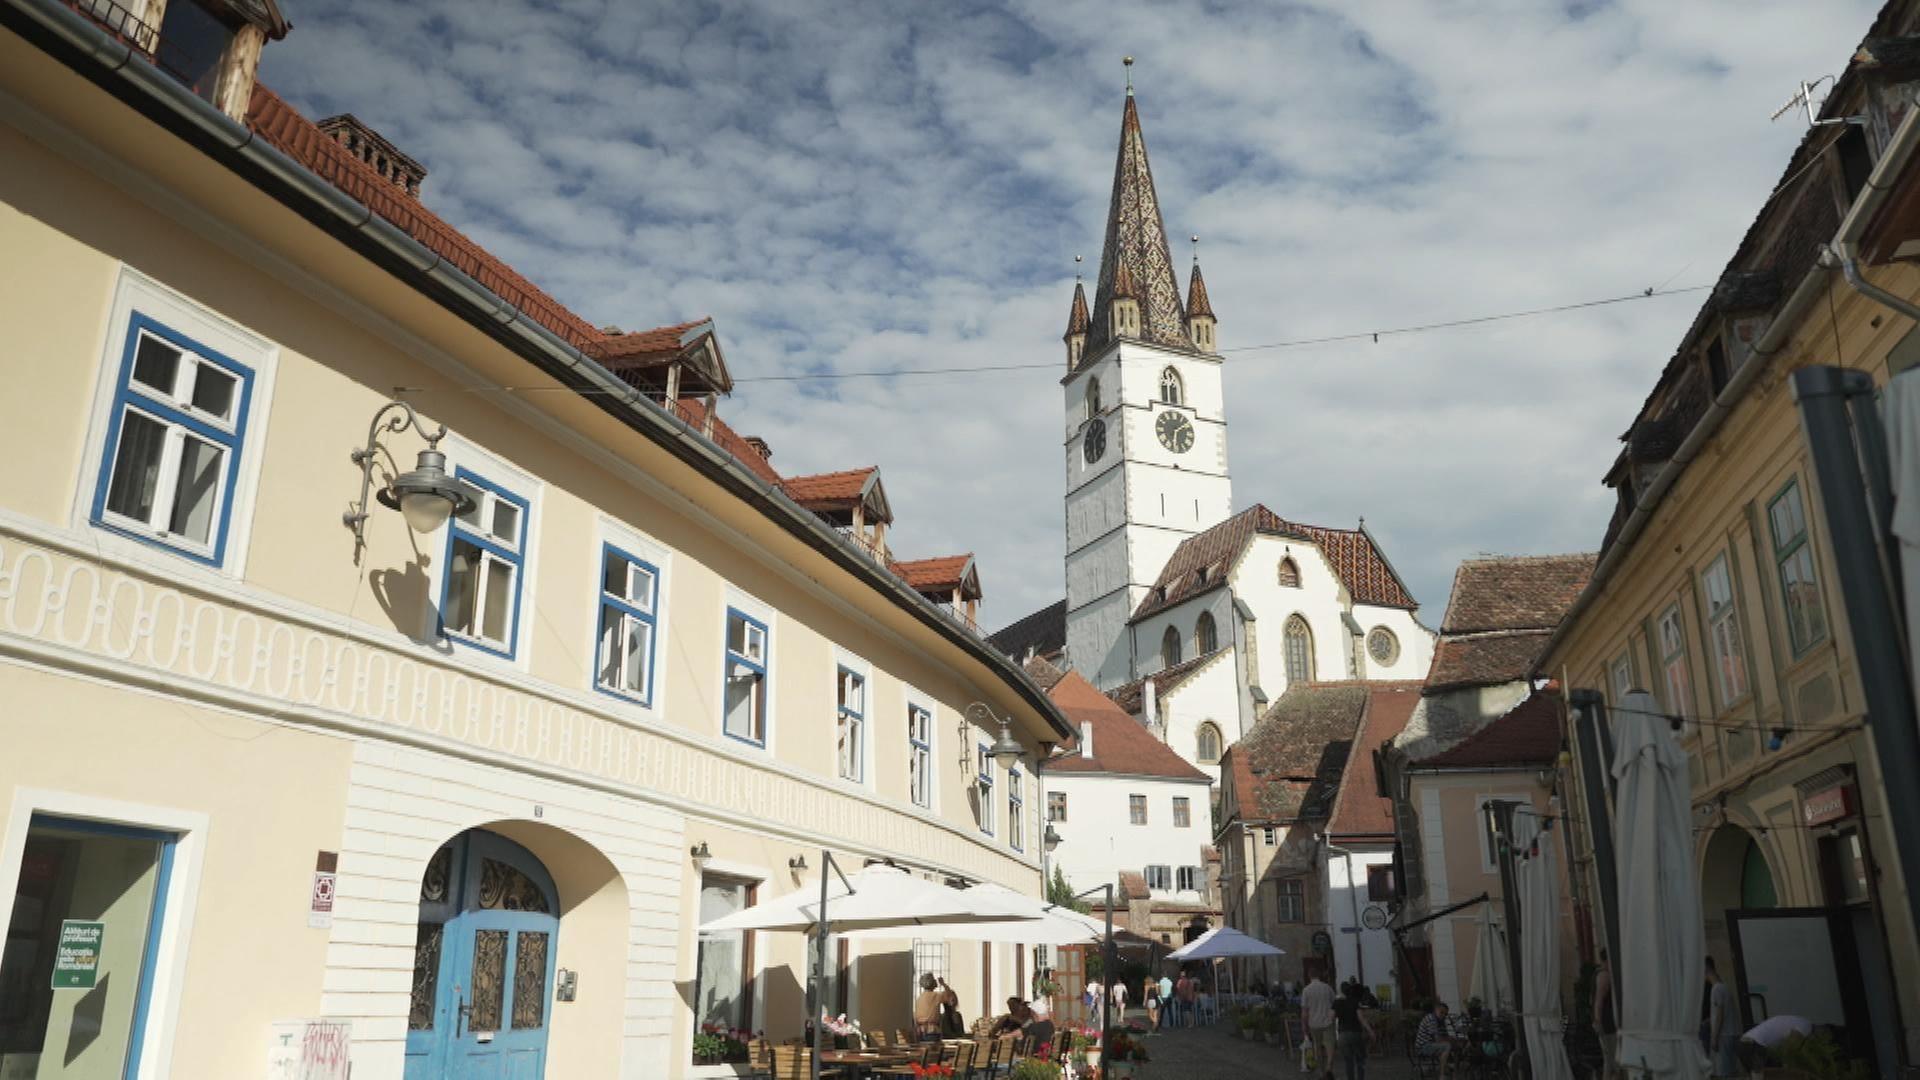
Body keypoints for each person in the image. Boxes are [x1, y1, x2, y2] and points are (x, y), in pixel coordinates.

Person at [1333, 981, 1375, 1080]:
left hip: (1343, 1035)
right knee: (1360, 1060)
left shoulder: (1337, 1002)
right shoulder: (1355, 1002)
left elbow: (1331, 1017)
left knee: (1348, 1062)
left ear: (1341, 991)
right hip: (1356, 1033)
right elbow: (1361, 1019)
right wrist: (1370, 1031)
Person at [1706, 957, 1737, 1077]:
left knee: (1724, 1071)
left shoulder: (1716, 989)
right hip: (1732, 1033)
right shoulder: (1725, 987)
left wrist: (1714, 1038)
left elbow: (1720, 1014)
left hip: (1723, 1034)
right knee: (1731, 1069)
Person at [1302, 973, 1337, 1078]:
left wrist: (1304, 1026)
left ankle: (1321, 1072)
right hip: (1328, 1022)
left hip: (1314, 1024)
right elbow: (1334, 1004)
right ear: (1319, 976)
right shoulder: (1327, 988)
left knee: (1317, 1048)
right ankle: (1329, 1066)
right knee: (1330, 1046)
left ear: (1310, 977)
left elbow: (1304, 1011)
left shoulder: (1306, 990)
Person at [1414, 1000, 1458, 1077]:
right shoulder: (1431, 1019)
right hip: (1423, 1047)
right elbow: (1437, 1039)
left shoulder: (1435, 1019)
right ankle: (1442, 1074)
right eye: (1441, 1012)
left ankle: (1448, 1068)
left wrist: (1449, 1039)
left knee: (1448, 1045)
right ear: (1436, 1010)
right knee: (1447, 1046)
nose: (1443, 1015)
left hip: (1428, 1044)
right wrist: (1450, 1040)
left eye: (1445, 1014)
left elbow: (1440, 1036)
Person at [1593, 949, 1619, 1080]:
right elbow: (1598, 1001)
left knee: (1611, 1060)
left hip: (1606, 1023)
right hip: (1607, 1024)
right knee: (1611, 1060)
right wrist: (1598, 1023)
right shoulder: (1604, 975)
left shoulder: (1600, 974)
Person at [914, 974, 958, 1041]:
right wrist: (943, 984)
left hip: (920, 1031)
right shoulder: (936, 996)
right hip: (932, 1031)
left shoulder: (919, 998)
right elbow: (950, 996)